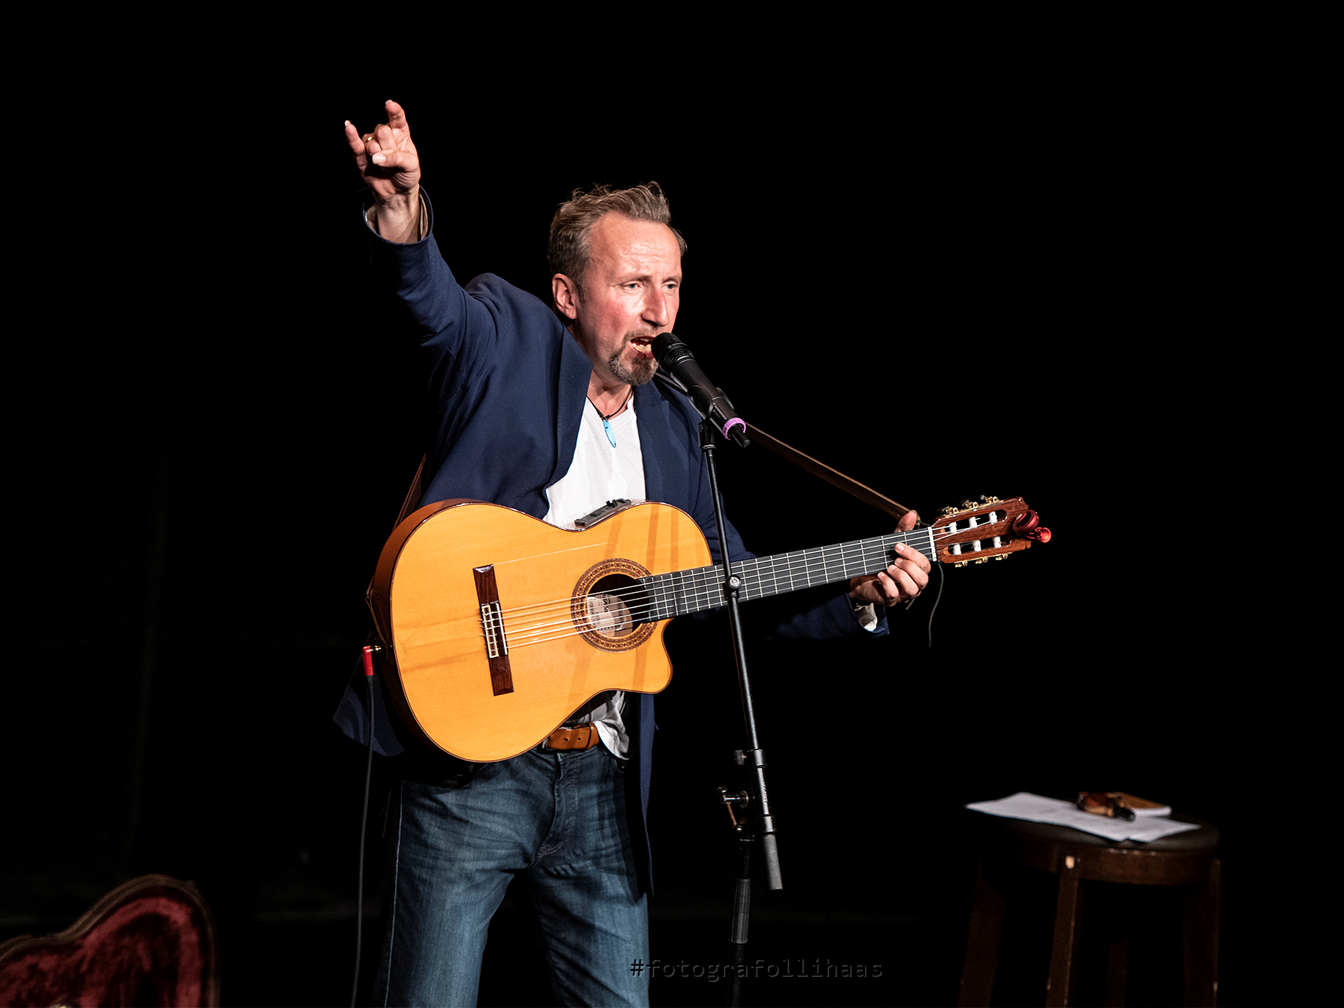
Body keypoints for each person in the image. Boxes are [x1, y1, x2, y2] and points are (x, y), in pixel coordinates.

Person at [337, 100, 931, 1007]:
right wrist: (402, 212)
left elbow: (734, 586)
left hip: (603, 783)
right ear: (570, 295)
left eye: (673, 287)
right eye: (633, 287)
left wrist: (862, 590)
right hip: (471, 766)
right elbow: (430, 309)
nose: (659, 312)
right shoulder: (507, 336)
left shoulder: (676, 427)